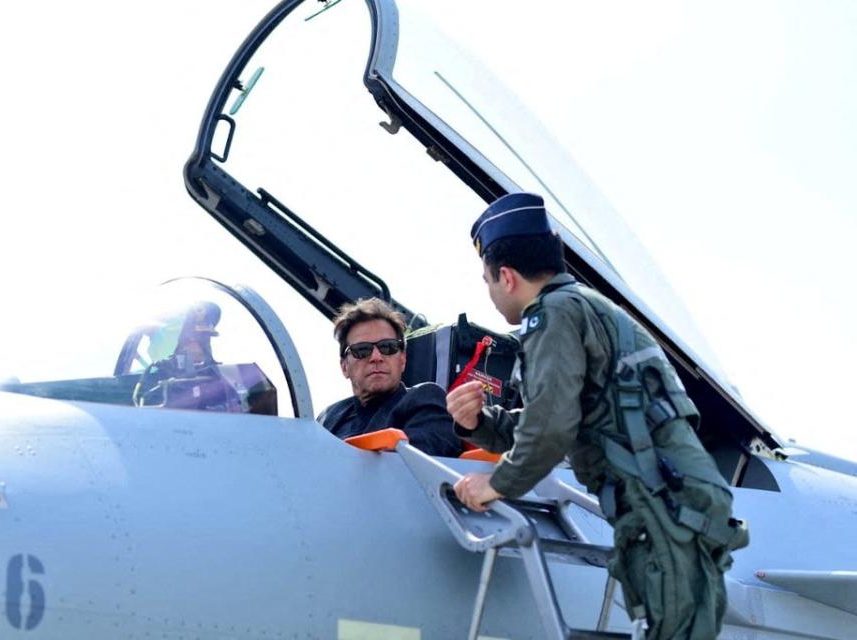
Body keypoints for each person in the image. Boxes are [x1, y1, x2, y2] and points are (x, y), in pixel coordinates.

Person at [446, 192, 748, 639]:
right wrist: (480, 424)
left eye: (487, 282)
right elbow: (563, 420)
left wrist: (497, 484)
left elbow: (550, 425)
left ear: (506, 277)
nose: (490, 294)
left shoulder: (552, 314)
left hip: (661, 504)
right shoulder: (583, 307)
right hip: (672, 501)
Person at [318, 298, 463, 458]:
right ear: (344, 367)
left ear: (402, 360)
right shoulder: (328, 418)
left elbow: (421, 457)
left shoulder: (425, 398)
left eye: (388, 347)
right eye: (362, 350)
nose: (376, 357)